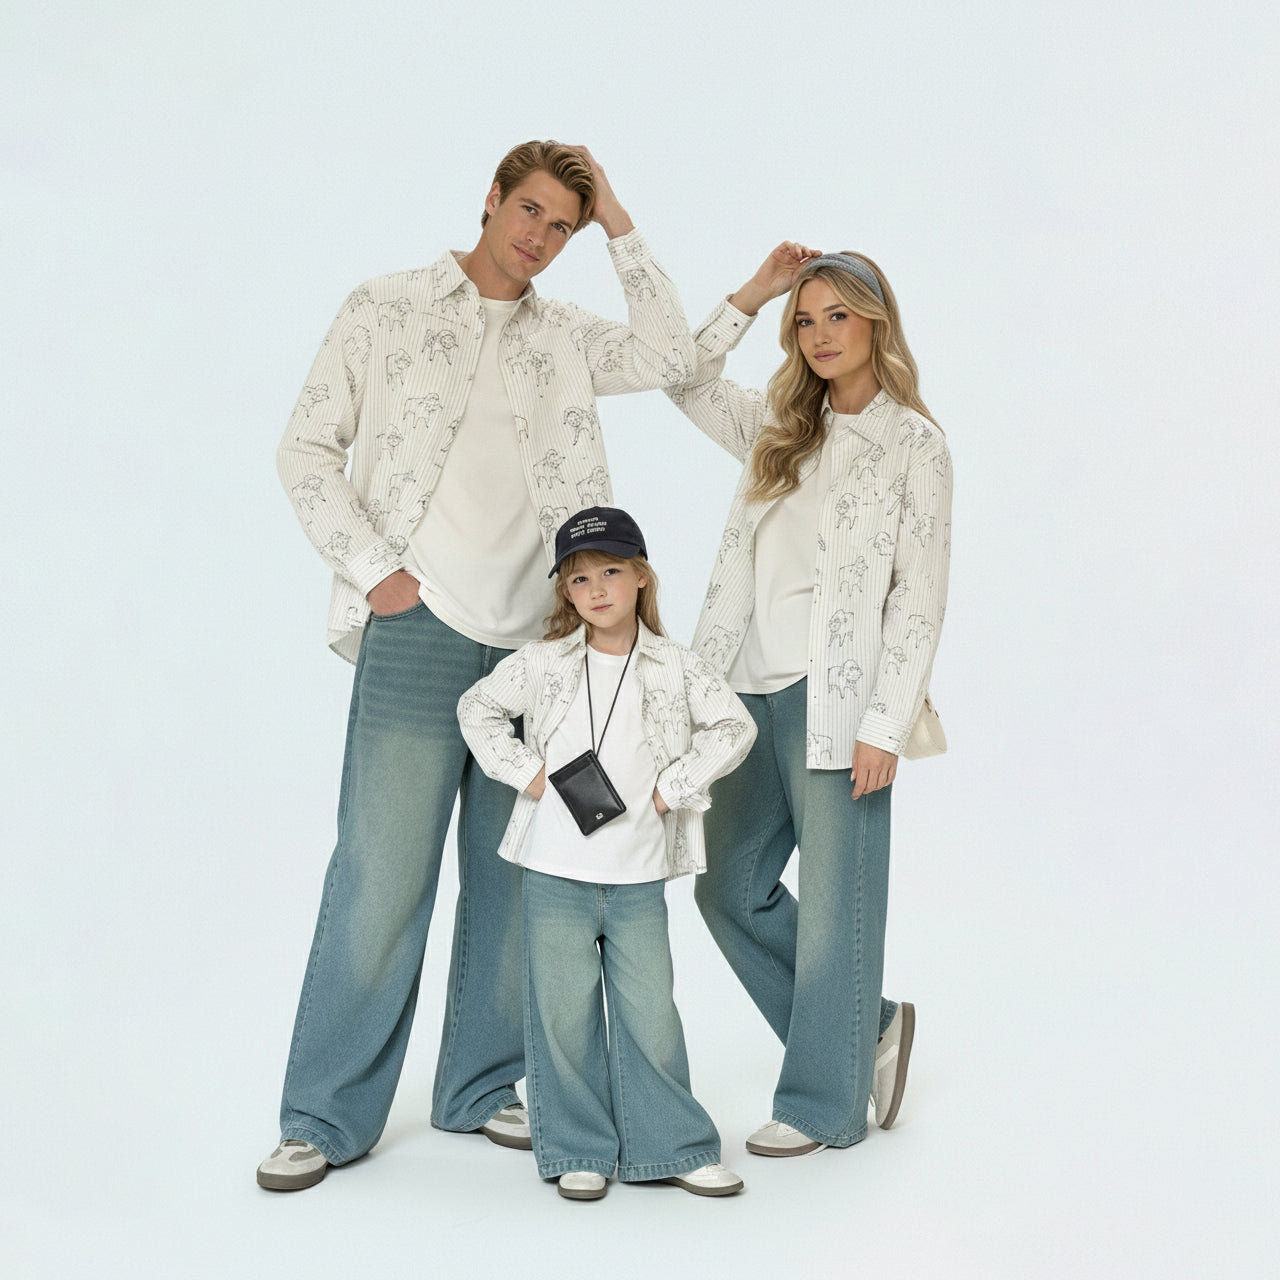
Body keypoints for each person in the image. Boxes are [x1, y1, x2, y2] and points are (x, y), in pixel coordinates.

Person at [258, 142, 697, 1192]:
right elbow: (303, 449)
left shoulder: (570, 336)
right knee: (378, 876)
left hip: (541, 647)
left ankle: (477, 1084)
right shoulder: (386, 305)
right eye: (529, 211)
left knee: (517, 880)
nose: (538, 237)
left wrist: (620, 222)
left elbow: (674, 353)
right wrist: (377, 573)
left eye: (561, 226)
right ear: (492, 200)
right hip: (419, 628)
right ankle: (321, 1113)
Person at [666, 243, 952, 1156]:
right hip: (744, 694)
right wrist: (752, 293)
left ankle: (824, 1105)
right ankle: (865, 1024)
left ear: (875, 321)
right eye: (806, 319)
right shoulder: (778, 428)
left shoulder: (918, 445)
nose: (821, 334)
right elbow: (682, 378)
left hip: (843, 705)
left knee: (837, 906)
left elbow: (920, 594)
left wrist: (886, 724)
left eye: (838, 315)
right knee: (726, 888)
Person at [457, 508, 754, 1200]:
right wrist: (523, 770)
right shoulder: (544, 662)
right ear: (565, 591)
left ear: (641, 577)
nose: (596, 588)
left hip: (638, 877)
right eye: (579, 577)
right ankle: (579, 1147)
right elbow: (477, 708)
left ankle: (672, 1145)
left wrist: (674, 787)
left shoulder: (676, 666)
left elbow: (733, 727)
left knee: (651, 1013)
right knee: (563, 1017)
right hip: (556, 872)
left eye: (611, 572)